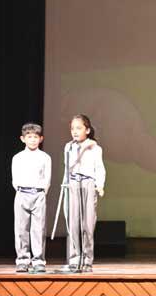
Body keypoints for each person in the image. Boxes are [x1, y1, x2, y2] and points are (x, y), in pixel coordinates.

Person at [63, 114, 106, 273]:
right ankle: (74, 259)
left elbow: (99, 168)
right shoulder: (69, 147)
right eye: (72, 128)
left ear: (87, 130)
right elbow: (67, 167)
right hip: (74, 183)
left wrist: (99, 185)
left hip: (88, 183)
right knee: (73, 222)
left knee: (87, 224)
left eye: (79, 128)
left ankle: (87, 260)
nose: (75, 131)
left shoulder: (95, 148)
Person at [12, 123, 51, 273]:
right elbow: (15, 179)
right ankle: (22, 260)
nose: (33, 140)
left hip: (38, 194)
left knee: (38, 229)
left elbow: (47, 179)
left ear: (41, 139)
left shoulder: (45, 158)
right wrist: (22, 190)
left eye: (36, 137)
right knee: (21, 229)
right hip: (22, 193)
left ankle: (39, 261)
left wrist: (40, 192)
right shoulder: (18, 157)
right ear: (23, 139)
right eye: (29, 137)